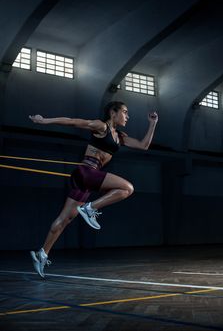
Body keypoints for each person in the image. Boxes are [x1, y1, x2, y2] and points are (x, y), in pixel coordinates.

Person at [29, 101, 158, 277]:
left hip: (85, 178)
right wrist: (44, 121)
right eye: (125, 112)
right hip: (86, 172)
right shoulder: (101, 126)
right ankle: (90, 208)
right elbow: (73, 121)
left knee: (65, 219)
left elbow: (143, 145)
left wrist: (153, 124)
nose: (127, 116)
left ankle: (42, 254)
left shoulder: (119, 136)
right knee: (127, 188)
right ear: (113, 113)